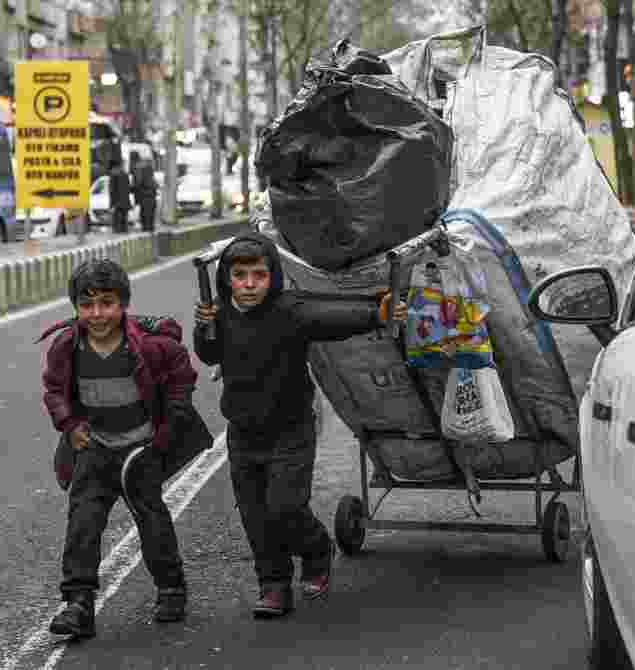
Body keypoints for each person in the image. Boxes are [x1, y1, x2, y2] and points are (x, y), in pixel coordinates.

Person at [193, 233, 406, 618]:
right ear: (226, 279)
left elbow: (332, 317)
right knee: (255, 518)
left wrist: (378, 313)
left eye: (259, 274)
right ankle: (273, 585)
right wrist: (202, 326)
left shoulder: (291, 310)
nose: (250, 284)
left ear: (273, 276)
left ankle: (316, 550)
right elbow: (209, 354)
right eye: (239, 275)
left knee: (285, 507)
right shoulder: (220, 315)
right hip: (243, 433)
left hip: (290, 431)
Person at [39, 259, 201, 639]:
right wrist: (70, 424)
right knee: (83, 524)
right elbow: (54, 390)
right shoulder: (67, 346)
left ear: (123, 303)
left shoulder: (149, 347)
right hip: (94, 451)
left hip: (138, 453)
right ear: (76, 305)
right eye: (88, 304)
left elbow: (182, 380)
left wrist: (164, 436)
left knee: (152, 521)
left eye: (108, 303)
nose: (98, 314)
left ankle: (171, 588)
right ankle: (78, 603)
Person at [129, 150, 159, 233]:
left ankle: (147, 234)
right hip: (152, 195)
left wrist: (131, 189)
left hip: (144, 196)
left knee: (145, 219)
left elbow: (138, 182)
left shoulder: (137, 167)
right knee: (150, 220)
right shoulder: (147, 166)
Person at [108, 159, 132, 234]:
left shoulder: (113, 174)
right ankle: (124, 233)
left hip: (117, 203)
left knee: (116, 222)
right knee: (124, 221)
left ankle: (117, 233)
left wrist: (112, 204)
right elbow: (128, 188)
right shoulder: (125, 174)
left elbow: (112, 191)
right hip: (125, 202)